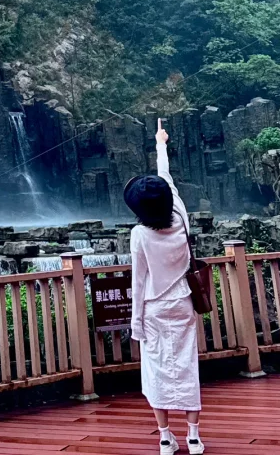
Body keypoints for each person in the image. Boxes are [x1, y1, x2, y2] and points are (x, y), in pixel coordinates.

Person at [124, 119, 204, 455]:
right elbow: (166, 178)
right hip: (183, 304)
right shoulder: (181, 217)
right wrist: (161, 143)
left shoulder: (140, 235)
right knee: (187, 365)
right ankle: (194, 436)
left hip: (154, 309)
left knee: (155, 371)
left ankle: (165, 437)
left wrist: (135, 323)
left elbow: (138, 280)